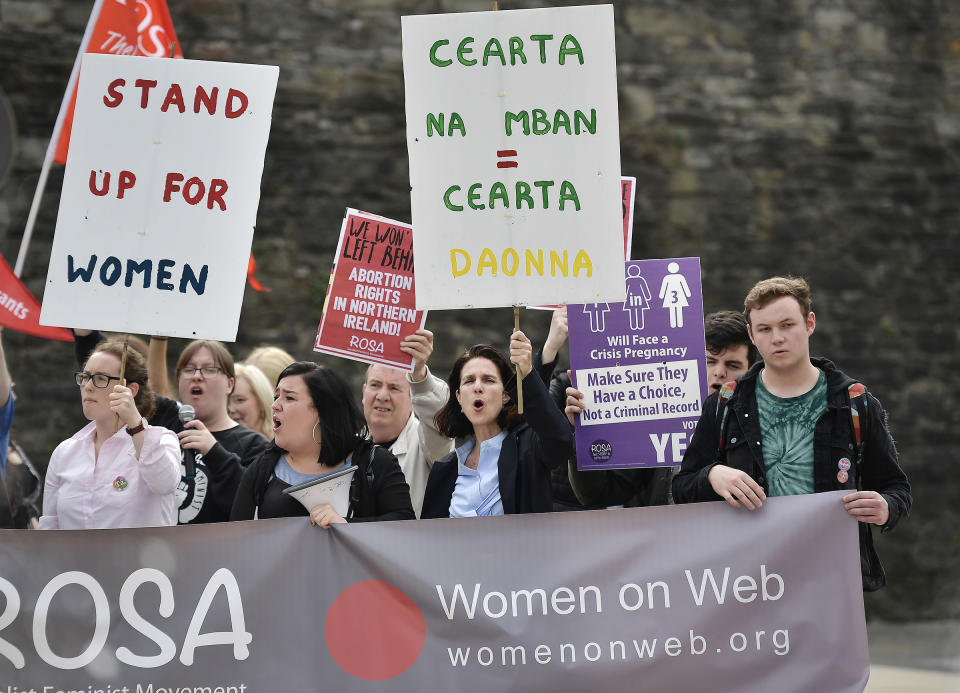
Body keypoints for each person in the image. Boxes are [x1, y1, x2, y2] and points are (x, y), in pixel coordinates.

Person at [672, 276, 911, 590]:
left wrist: (885, 508)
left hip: (832, 579)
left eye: (787, 325)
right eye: (765, 329)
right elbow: (683, 486)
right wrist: (713, 475)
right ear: (752, 335)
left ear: (809, 323)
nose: (777, 338)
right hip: (748, 581)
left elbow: (896, 488)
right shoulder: (724, 405)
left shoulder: (855, 402)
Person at [564, 310, 758, 508]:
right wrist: (585, 431)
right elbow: (601, 495)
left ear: (750, 371)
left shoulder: (761, 420)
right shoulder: (660, 418)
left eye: (733, 365)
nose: (719, 372)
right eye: (710, 361)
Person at [230, 362, 415, 525]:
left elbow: (404, 527)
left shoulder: (376, 462)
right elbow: (238, 541)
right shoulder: (263, 467)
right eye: (276, 397)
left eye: (289, 398)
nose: (275, 405)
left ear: (323, 411)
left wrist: (346, 526)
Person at [420, 331, 574, 518]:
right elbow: (431, 541)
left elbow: (560, 441)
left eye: (488, 380)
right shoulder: (444, 470)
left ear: (505, 395)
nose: (478, 387)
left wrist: (527, 372)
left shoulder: (527, 448)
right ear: (459, 397)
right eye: (469, 380)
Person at [39, 342, 180, 529]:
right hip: (73, 559)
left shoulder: (162, 439)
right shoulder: (64, 452)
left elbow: (165, 483)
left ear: (131, 390)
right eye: (85, 377)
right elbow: (50, 525)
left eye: (100, 378)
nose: (88, 386)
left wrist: (136, 425)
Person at [362, 329, 452, 518]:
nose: (382, 396)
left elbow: (440, 422)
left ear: (413, 398)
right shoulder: (350, 444)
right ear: (363, 392)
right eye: (375, 385)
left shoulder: (428, 445)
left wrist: (419, 373)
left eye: (394, 388)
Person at [230, 364, 275, 440]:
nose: (230, 409)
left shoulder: (287, 447)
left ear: (261, 402)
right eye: (225, 401)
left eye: (239, 400)